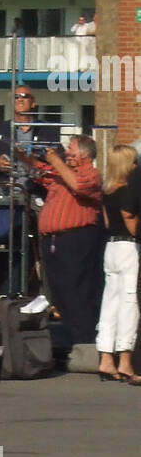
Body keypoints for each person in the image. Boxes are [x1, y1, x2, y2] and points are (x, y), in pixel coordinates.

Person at [15, 135, 103, 350]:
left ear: (83, 154)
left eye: (71, 149)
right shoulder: (61, 173)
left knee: (77, 291)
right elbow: (41, 172)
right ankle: (69, 340)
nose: (66, 153)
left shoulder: (91, 174)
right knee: (59, 291)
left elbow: (79, 186)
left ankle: (85, 341)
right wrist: (23, 157)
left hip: (76, 240)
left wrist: (57, 161)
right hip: (55, 241)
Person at [95, 145, 140, 383]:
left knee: (109, 302)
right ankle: (124, 358)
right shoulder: (127, 192)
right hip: (128, 246)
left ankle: (105, 356)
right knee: (129, 302)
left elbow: (105, 220)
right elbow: (129, 219)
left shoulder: (107, 191)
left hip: (110, 246)